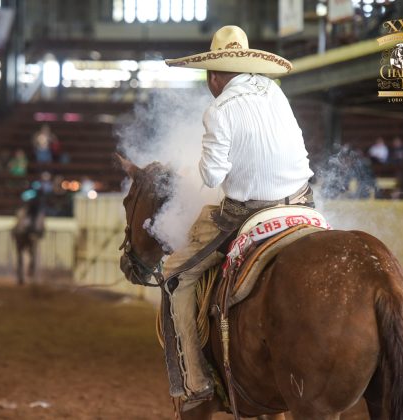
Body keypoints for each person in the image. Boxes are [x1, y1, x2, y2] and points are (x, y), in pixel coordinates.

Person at [163, 25, 314, 405]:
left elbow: (213, 175)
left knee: (175, 276)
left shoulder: (218, 109)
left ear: (213, 76)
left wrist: (198, 164)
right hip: (302, 205)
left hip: (248, 215)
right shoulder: (275, 93)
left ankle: (196, 382)